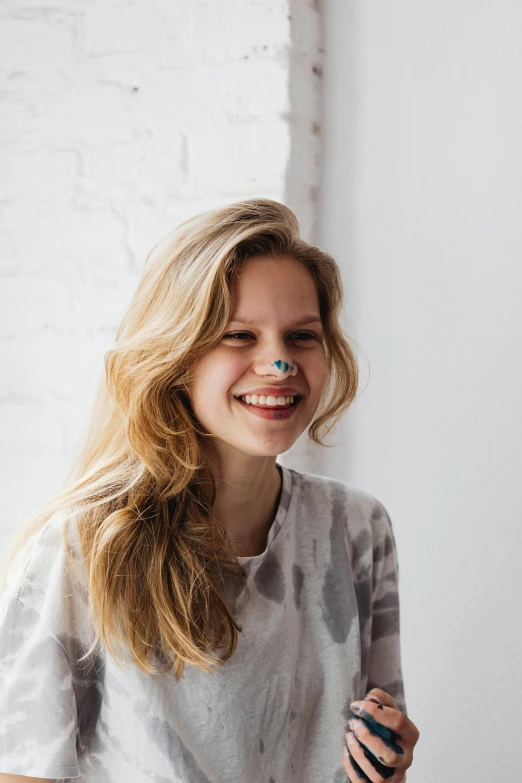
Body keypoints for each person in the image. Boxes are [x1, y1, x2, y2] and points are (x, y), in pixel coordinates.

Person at [0, 198, 419, 782]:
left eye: (302, 336)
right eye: (239, 335)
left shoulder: (356, 527)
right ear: (176, 359)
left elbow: (375, 771)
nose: (277, 362)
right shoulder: (82, 547)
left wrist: (389, 761)